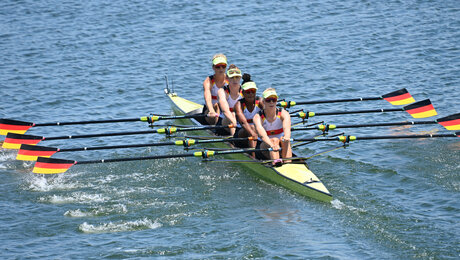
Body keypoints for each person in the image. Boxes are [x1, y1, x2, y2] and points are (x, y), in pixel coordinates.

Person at [252, 88, 292, 165]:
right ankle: (276, 165)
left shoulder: (284, 114)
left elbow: (287, 129)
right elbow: (262, 135)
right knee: (274, 140)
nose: (271, 102)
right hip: (264, 148)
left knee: (284, 140)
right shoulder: (258, 117)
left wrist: (287, 137)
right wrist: (272, 145)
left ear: (276, 101)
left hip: (280, 145)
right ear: (263, 102)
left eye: (273, 99)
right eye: (268, 100)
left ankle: (288, 164)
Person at [233, 73, 263, 149]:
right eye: (248, 92)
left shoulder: (260, 101)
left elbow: (269, 114)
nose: (250, 94)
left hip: (258, 132)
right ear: (242, 93)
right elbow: (243, 123)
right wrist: (253, 134)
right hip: (241, 135)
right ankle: (254, 156)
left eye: (252, 91)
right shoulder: (239, 105)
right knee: (252, 127)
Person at [216, 64, 243, 136]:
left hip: (240, 122)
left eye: (237, 77)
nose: (235, 80)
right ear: (227, 78)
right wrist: (234, 122)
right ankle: (234, 140)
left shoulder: (245, 91)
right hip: (224, 125)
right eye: (232, 77)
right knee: (233, 114)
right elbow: (225, 111)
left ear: (240, 77)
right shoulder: (222, 92)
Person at [203, 53, 229, 125]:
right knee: (216, 105)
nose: (221, 69)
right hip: (211, 110)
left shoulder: (230, 79)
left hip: (225, 109)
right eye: (218, 66)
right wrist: (211, 110)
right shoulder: (208, 81)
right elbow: (207, 98)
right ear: (213, 67)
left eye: (223, 66)